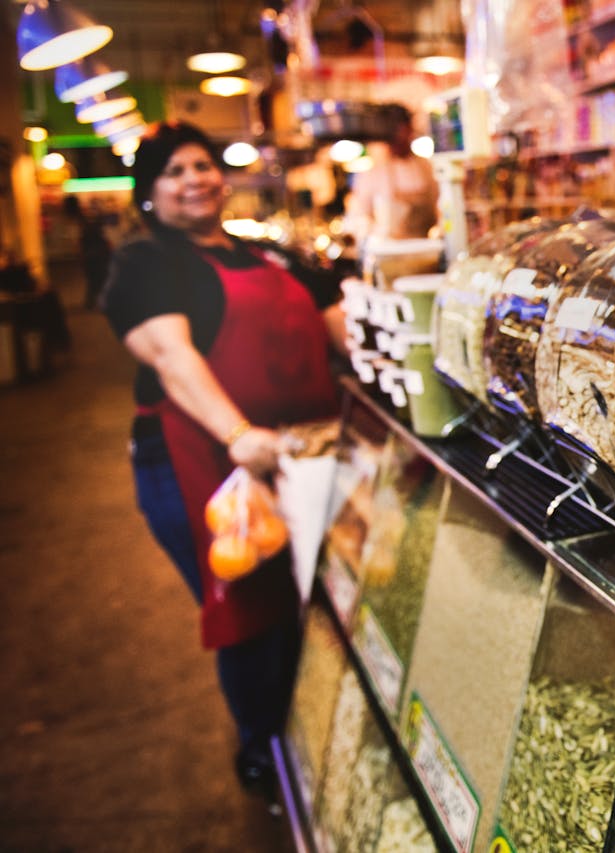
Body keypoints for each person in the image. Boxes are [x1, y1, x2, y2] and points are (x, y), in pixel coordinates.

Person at [100, 121, 346, 796]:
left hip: (298, 457)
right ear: (149, 192)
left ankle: (308, 727)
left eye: (203, 165)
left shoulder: (269, 255)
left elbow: (338, 319)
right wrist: (237, 432)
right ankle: (264, 748)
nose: (194, 180)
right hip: (201, 461)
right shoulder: (146, 262)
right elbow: (170, 356)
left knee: (307, 594)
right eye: (174, 171)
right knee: (248, 601)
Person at [343, 103, 441, 243]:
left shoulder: (427, 167)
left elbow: (440, 206)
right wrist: (374, 233)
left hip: (426, 248)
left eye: (404, 131)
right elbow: (357, 217)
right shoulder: (373, 172)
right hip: (388, 251)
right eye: (396, 133)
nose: (401, 137)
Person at [62, 195, 113, 310]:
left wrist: (79, 254)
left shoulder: (79, 219)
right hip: (99, 253)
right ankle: (95, 301)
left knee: (94, 278)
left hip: (91, 254)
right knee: (98, 277)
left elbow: (78, 240)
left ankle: (93, 301)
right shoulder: (85, 218)